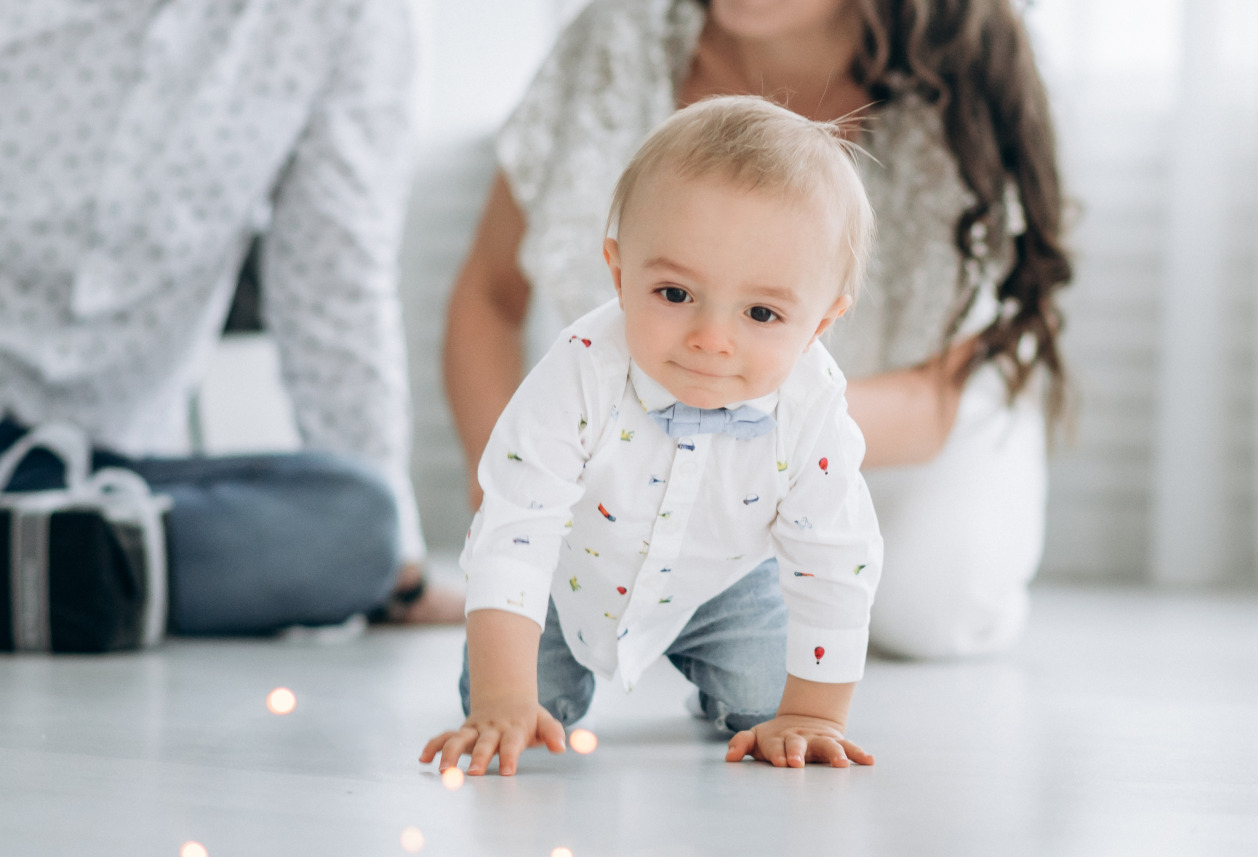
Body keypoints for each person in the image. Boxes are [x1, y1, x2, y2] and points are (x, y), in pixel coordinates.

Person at [442, 0, 1072, 659]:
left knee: (929, 607)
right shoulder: (621, 33)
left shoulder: (961, 61)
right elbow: (489, 294)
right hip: (648, 406)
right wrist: (512, 503)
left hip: (900, 413)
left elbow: (931, 401)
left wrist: (728, 447)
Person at [419, 97, 883, 776]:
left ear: (819, 323)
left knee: (767, 707)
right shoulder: (580, 369)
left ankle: (725, 686)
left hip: (722, 585)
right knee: (518, 704)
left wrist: (814, 713)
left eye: (760, 312)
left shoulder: (812, 409)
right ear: (618, 270)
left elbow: (836, 559)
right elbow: (517, 523)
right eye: (673, 294)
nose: (711, 339)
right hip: (566, 577)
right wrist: (501, 696)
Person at [0, 0, 461, 634]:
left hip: (110, 476)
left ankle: (40, 567)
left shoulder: (356, 19)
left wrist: (395, 578)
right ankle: (62, 583)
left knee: (356, 526)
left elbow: (334, 286)